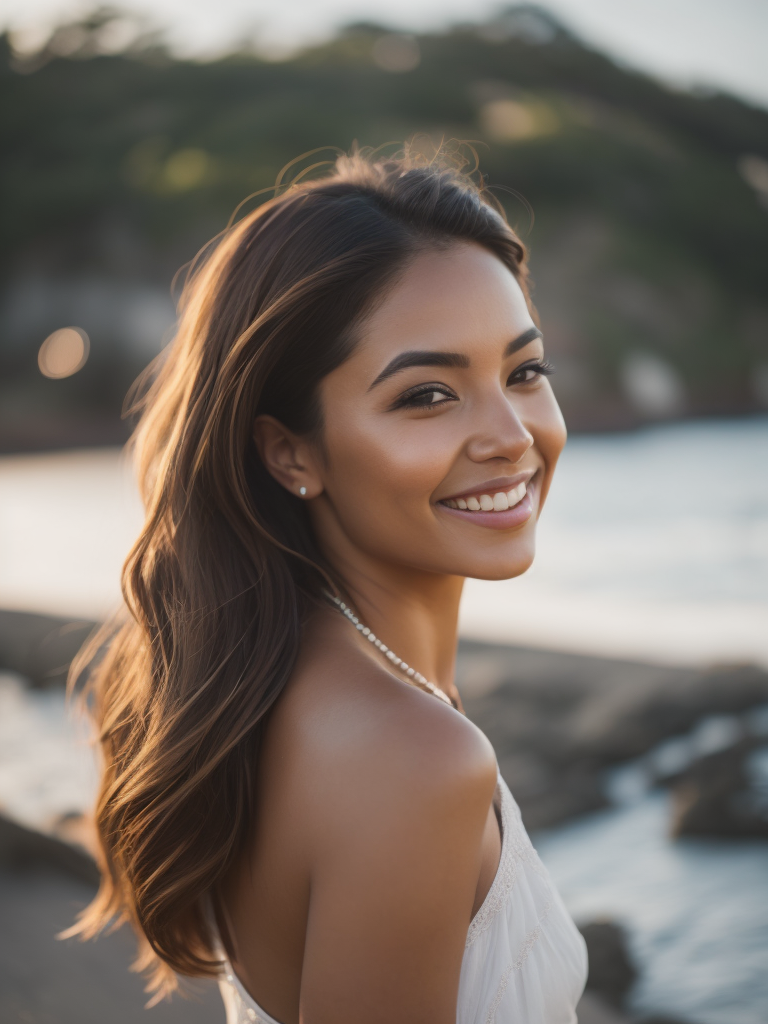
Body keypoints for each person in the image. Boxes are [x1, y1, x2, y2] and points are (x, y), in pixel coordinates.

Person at [70, 148, 588, 1023]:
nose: (511, 435)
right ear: (290, 452)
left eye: (523, 372)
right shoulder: (411, 758)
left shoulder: (281, 683)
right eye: (427, 395)